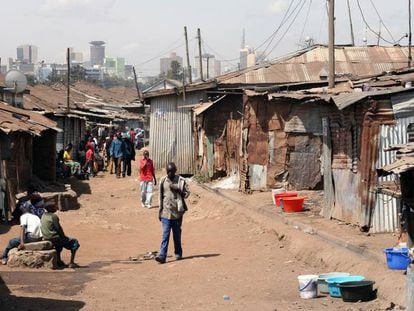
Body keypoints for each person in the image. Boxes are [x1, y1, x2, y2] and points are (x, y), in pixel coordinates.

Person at [155, 162, 190, 264]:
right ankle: (162, 255)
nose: (169, 173)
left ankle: (178, 253)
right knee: (165, 234)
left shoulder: (181, 181)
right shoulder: (163, 181)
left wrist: (178, 190)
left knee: (177, 235)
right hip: (165, 213)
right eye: (168, 171)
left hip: (177, 213)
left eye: (171, 171)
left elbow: (187, 194)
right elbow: (160, 197)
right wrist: (160, 211)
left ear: (175, 171)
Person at [41, 200, 80, 268]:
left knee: (59, 245)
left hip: (46, 237)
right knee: (75, 242)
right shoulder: (53, 216)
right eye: (54, 207)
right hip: (54, 237)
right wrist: (64, 237)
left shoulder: (43, 215)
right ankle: (71, 262)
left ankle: (59, 260)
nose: (56, 208)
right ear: (50, 208)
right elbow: (58, 228)